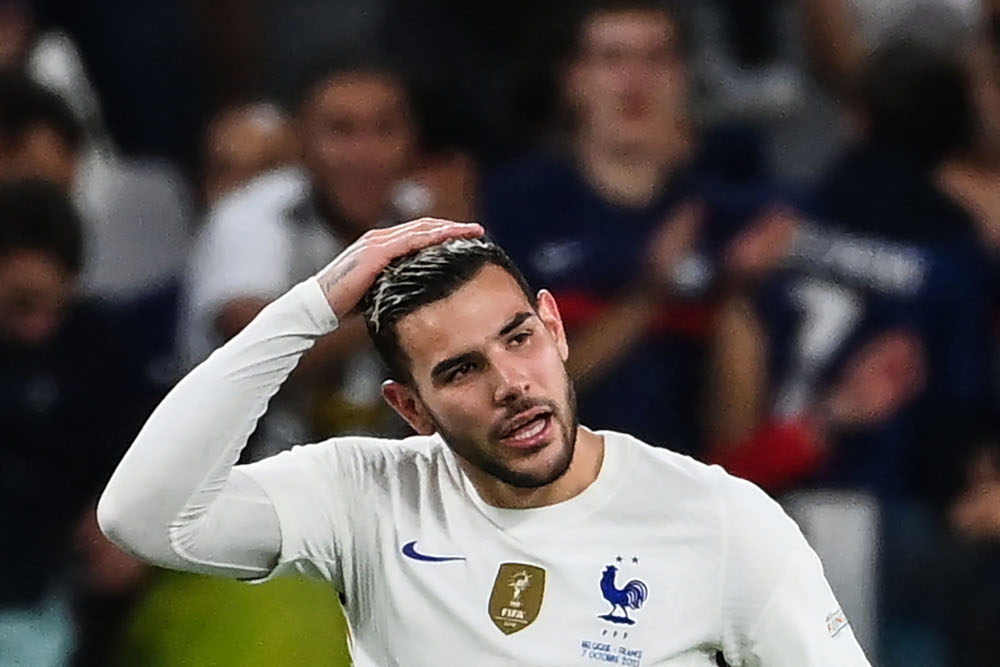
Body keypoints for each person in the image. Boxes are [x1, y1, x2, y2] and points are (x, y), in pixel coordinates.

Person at [99, 218, 871, 665]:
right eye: (463, 368)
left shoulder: (722, 519)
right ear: (411, 407)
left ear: (556, 327)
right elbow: (142, 515)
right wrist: (304, 308)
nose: (511, 381)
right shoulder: (364, 495)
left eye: (519, 338)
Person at [483, 0, 784, 456]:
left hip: (689, 487)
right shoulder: (519, 206)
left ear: (684, 76)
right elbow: (509, 394)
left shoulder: (729, 212)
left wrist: (735, 295)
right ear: (572, 80)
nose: (635, 81)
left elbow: (737, 435)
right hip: (553, 488)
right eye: (613, 59)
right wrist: (649, 297)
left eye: (656, 58)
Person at [0, 179, 146, 666]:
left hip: (69, 590)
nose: (39, 325)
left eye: (50, 303)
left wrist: (125, 517)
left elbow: (142, 451)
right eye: (21, 303)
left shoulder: (99, 346)